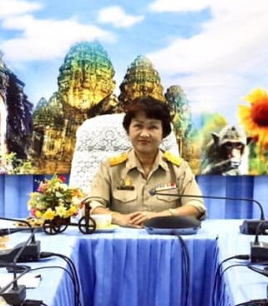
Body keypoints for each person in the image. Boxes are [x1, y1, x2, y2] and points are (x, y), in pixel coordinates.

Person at [88, 97, 206, 227]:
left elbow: (196, 206)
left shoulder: (179, 168)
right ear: (128, 130)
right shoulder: (110, 168)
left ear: (163, 133)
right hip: (122, 236)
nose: (144, 134)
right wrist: (119, 218)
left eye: (153, 127)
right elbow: (92, 206)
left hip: (166, 236)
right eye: (138, 126)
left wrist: (159, 217)